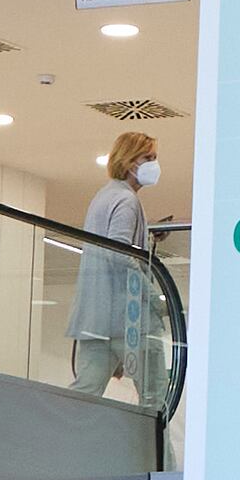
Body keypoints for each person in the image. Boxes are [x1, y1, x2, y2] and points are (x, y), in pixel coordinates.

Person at [70, 132, 161, 396]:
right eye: (148, 157)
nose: (154, 164)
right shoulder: (127, 200)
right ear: (130, 161)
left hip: (96, 320)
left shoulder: (103, 197)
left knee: (85, 393)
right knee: (155, 396)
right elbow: (119, 253)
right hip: (129, 320)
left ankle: (61, 426)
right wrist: (153, 297)